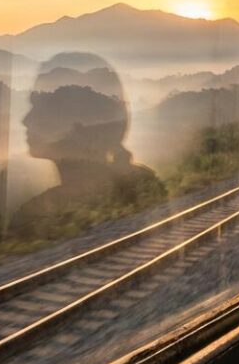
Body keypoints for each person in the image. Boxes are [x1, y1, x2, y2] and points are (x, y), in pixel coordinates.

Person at [12, 52, 165, 240]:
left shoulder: (35, 217)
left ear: (78, 124)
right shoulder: (143, 184)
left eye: (40, 109)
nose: (26, 120)